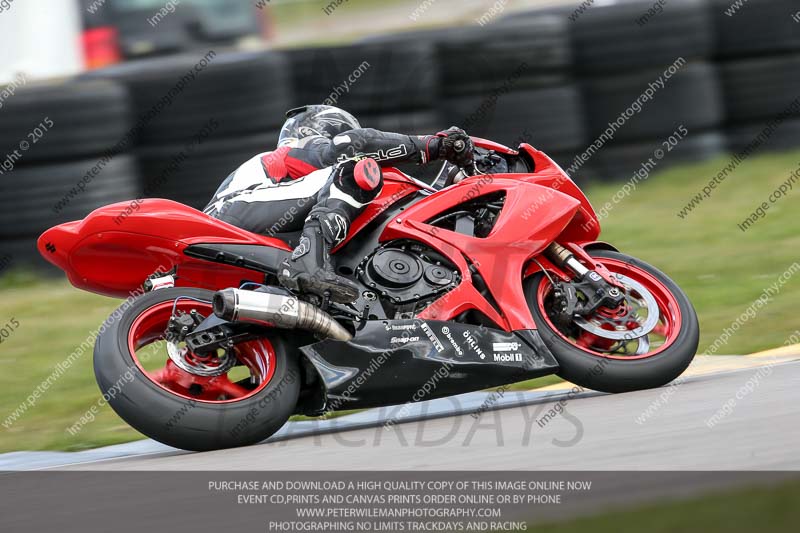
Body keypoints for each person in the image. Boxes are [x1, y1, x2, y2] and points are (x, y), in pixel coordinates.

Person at [204, 105, 474, 304]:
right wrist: (433, 147)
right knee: (356, 169)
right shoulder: (293, 153)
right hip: (231, 215)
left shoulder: (292, 178)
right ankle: (308, 262)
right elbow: (353, 145)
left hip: (230, 234)